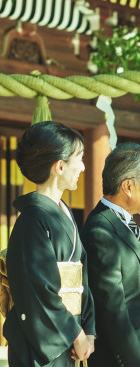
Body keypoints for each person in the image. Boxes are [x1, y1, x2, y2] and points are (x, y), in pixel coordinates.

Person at [4, 121, 95, 366]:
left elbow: (81, 279)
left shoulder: (64, 212)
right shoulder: (32, 220)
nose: (84, 167)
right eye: (80, 158)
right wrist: (76, 334)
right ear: (60, 166)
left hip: (68, 335)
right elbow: (40, 290)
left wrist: (88, 329)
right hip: (40, 345)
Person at [80, 143, 140, 367]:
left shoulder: (124, 223)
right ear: (128, 186)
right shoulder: (101, 230)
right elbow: (112, 310)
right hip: (118, 360)